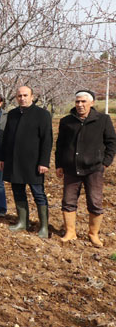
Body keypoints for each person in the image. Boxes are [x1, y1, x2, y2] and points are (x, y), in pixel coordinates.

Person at [55, 90, 116, 247]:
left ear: (92, 103)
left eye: (83, 102)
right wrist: (59, 165)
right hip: (70, 168)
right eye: (77, 102)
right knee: (68, 201)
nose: (80, 105)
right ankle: (70, 232)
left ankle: (93, 233)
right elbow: (60, 145)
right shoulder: (66, 121)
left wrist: (105, 163)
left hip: (94, 169)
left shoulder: (103, 120)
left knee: (95, 202)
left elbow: (111, 142)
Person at [0, 86, 52, 238]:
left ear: (32, 96)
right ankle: (23, 222)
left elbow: (47, 140)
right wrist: (3, 158)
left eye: (25, 95)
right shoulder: (12, 114)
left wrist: (44, 162)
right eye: (19, 96)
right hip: (14, 162)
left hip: (34, 163)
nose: (22, 98)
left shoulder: (42, 114)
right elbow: (7, 138)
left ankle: (44, 227)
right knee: (18, 192)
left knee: (38, 194)